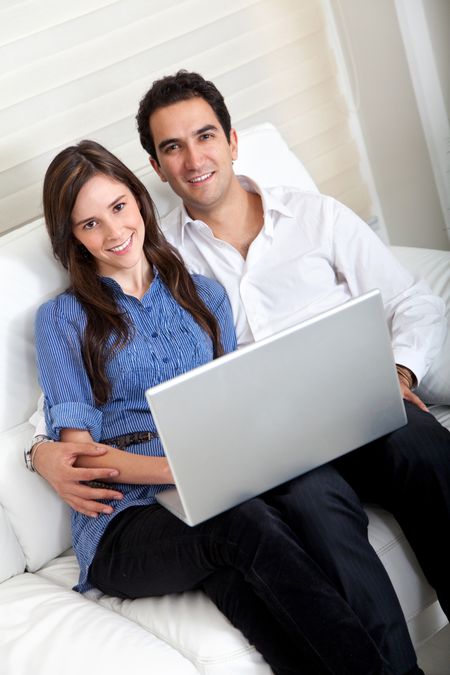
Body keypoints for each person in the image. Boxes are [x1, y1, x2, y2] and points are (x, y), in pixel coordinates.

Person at [29, 71, 450, 674]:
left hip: (305, 430)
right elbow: (85, 444)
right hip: (206, 477)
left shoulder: (219, 275)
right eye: (172, 147)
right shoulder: (111, 287)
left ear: (231, 139)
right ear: (155, 167)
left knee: (418, 454)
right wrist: (41, 451)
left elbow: (410, 304)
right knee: (284, 523)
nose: (194, 159)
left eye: (204, 137)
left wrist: (399, 375)